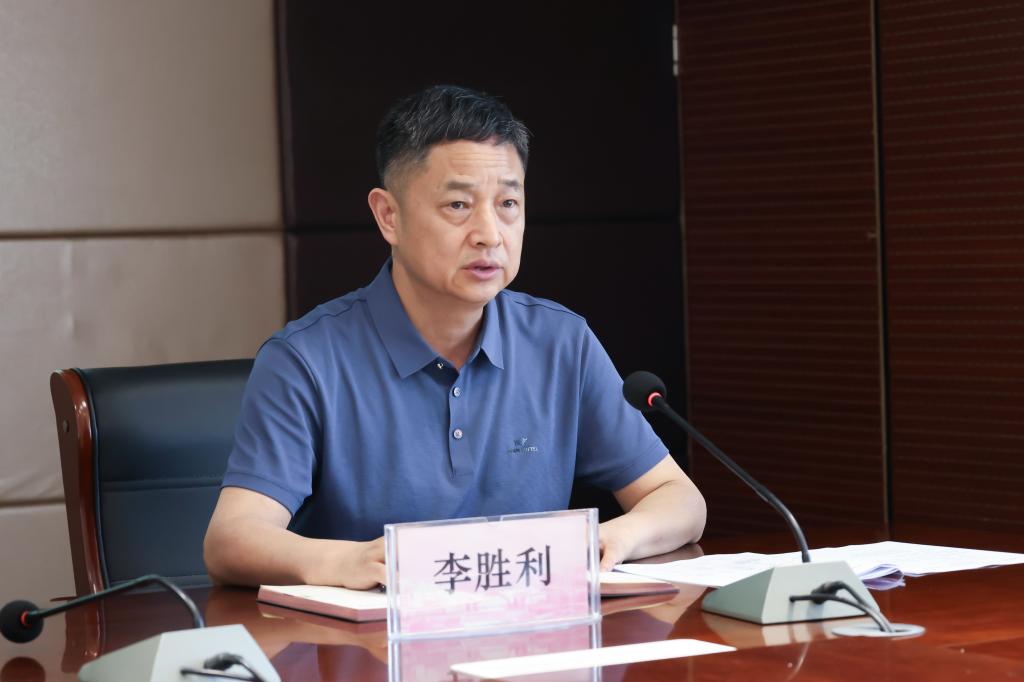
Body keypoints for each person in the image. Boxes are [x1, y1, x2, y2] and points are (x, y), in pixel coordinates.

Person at [204, 85, 706, 589]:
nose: (489, 233)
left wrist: (612, 538)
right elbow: (233, 537)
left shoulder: (561, 342)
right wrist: (343, 562)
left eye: (508, 203)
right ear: (389, 216)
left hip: (527, 630)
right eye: (459, 205)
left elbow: (679, 498)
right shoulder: (305, 360)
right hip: (373, 633)